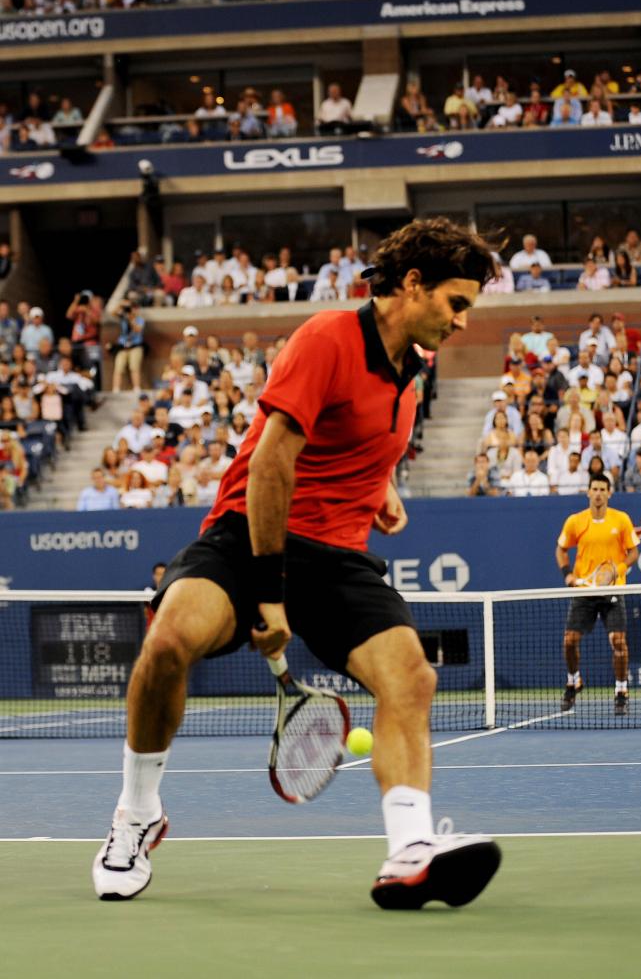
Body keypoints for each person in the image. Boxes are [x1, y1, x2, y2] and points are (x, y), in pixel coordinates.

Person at [92, 218, 500, 909]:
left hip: (338, 556)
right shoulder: (328, 338)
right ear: (412, 286)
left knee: (411, 675)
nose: (462, 321)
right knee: (166, 643)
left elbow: (354, 438)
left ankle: (410, 851)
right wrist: (269, 591)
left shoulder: (414, 371)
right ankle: (136, 814)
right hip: (248, 535)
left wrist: (381, 489)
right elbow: (272, 463)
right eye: (456, 303)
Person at [555, 474, 640, 716]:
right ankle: (573, 681)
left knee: (619, 643)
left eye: (603, 489)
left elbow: (633, 552)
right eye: (595, 489)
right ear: (588, 492)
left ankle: (621, 691)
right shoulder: (575, 521)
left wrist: (617, 570)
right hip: (584, 591)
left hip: (613, 591)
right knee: (569, 641)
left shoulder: (621, 519)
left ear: (609, 493)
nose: (599, 493)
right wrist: (568, 575)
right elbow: (561, 549)